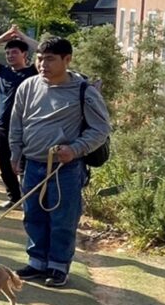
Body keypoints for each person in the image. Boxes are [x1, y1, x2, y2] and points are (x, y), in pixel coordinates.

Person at [10, 36, 110, 288]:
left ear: (67, 60)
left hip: (66, 167)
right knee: (33, 215)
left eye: (50, 59)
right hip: (32, 163)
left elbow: (100, 129)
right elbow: (17, 123)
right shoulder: (28, 86)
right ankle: (36, 262)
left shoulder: (83, 90)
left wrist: (75, 149)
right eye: (40, 59)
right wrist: (15, 152)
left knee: (63, 218)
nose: (43, 64)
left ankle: (58, 266)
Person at [0, 26, 39, 209]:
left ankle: (29, 201)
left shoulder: (33, 72)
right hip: (2, 127)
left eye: (14, 52)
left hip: (25, 127)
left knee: (24, 165)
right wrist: (3, 37)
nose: (10, 55)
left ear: (24, 55)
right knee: (4, 166)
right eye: (8, 53)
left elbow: (43, 49)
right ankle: (14, 199)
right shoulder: (2, 71)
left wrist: (21, 36)